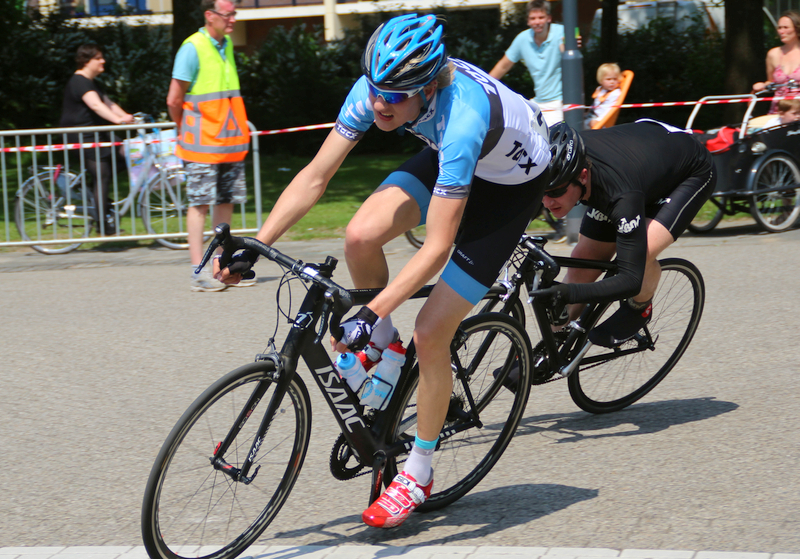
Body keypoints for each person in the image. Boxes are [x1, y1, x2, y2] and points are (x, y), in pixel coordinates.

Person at [216, 14, 551, 528]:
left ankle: (418, 470)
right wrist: (258, 245)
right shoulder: (378, 88)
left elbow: (437, 248)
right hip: (452, 161)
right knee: (359, 235)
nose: (379, 104)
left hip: (506, 189)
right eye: (375, 90)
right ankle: (386, 351)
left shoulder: (461, 116)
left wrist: (372, 308)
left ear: (428, 87)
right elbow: (316, 175)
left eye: (395, 97)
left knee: (431, 331)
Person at [537, 120, 716, 348]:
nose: (547, 201)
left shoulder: (619, 195)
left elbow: (630, 279)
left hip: (688, 170)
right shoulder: (556, 164)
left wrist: (569, 292)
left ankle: (639, 308)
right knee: (585, 260)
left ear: (582, 175)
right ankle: (548, 348)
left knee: (636, 256)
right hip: (639, 161)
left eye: (555, 192)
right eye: (542, 192)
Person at [167, 0, 253, 292]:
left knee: (225, 203)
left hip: (229, 143)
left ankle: (222, 268)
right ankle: (198, 271)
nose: (233, 20)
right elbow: (173, 100)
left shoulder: (225, 44)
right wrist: (186, 127)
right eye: (228, 15)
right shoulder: (192, 47)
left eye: (234, 14)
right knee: (200, 204)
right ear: (210, 15)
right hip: (201, 145)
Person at [60, 43, 134, 236]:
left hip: (95, 134)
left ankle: (96, 198)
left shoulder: (90, 82)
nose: (103, 61)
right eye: (98, 58)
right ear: (87, 61)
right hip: (82, 135)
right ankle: (102, 224)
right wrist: (118, 120)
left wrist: (128, 117)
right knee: (102, 175)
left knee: (124, 155)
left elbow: (107, 103)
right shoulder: (79, 81)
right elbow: (95, 105)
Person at [489, 0, 566, 126]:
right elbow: (503, 66)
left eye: (541, 17)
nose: (537, 22)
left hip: (560, 103)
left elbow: (571, 49)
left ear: (549, 18)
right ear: (528, 21)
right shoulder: (522, 39)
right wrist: (484, 85)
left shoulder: (561, 33)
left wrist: (572, 44)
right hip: (538, 103)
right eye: (533, 18)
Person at [752, 10, 800, 114]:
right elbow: (771, 82)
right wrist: (763, 85)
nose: (781, 31)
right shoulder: (773, 54)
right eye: (779, 28)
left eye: (786, 28)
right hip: (779, 111)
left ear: (797, 29)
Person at [585, 63, 622, 129]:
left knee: (586, 124)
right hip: (592, 115)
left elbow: (610, 110)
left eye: (615, 79)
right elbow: (595, 104)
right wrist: (587, 113)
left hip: (601, 119)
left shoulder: (615, 93)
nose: (612, 82)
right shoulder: (600, 89)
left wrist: (599, 121)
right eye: (608, 79)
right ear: (601, 80)